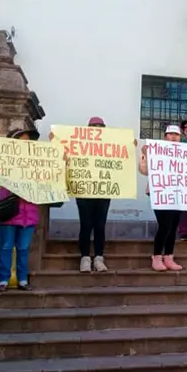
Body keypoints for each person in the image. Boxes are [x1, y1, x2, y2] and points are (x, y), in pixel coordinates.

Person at [0, 127, 42, 288]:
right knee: (6, 246)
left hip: (28, 213)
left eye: (27, 141)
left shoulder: (35, 162)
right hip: (9, 211)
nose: (25, 144)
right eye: (21, 141)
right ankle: (4, 279)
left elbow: (51, 172)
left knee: (23, 248)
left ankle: (22, 279)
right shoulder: (3, 160)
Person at [141, 125, 186, 271]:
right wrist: (145, 156)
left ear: (180, 138)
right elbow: (144, 171)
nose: (173, 137)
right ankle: (156, 256)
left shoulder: (185, 153)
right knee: (165, 225)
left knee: (173, 227)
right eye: (170, 134)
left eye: (176, 135)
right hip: (159, 193)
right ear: (165, 136)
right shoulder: (155, 151)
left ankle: (169, 257)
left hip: (177, 194)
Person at [77, 116, 113, 273]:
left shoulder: (110, 145)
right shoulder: (79, 144)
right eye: (94, 126)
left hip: (103, 191)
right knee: (85, 225)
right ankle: (85, 257)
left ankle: (99, 257)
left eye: (100, 126)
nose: (97, 128)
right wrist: (56, 141)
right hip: (84, 191)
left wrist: (129, 146)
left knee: (100, 225)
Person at [177, 119, 187, 240]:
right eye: (185, 128)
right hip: (184, 180)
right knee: (185, 207)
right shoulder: (180, 143)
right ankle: (184, 232)